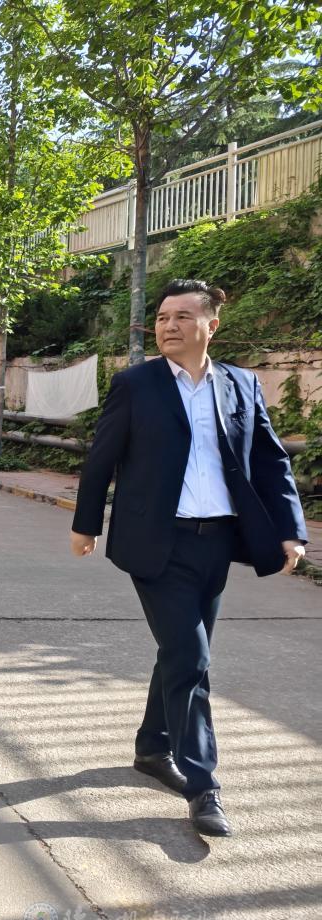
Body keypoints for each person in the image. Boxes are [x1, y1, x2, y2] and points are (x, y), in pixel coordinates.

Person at [71, 279, 307, 838]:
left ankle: (153, 747)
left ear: (210, 326)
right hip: (157, 543)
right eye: (161, 317)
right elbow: (102, 458)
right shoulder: (136, 384)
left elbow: (270, 461)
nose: (168, 326)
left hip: (217, 541)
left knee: (181, 655)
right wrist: (86, 524)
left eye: (181, 316)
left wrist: (291, 531)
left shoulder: (240, 384)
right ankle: (203, 786)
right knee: (192, 656)